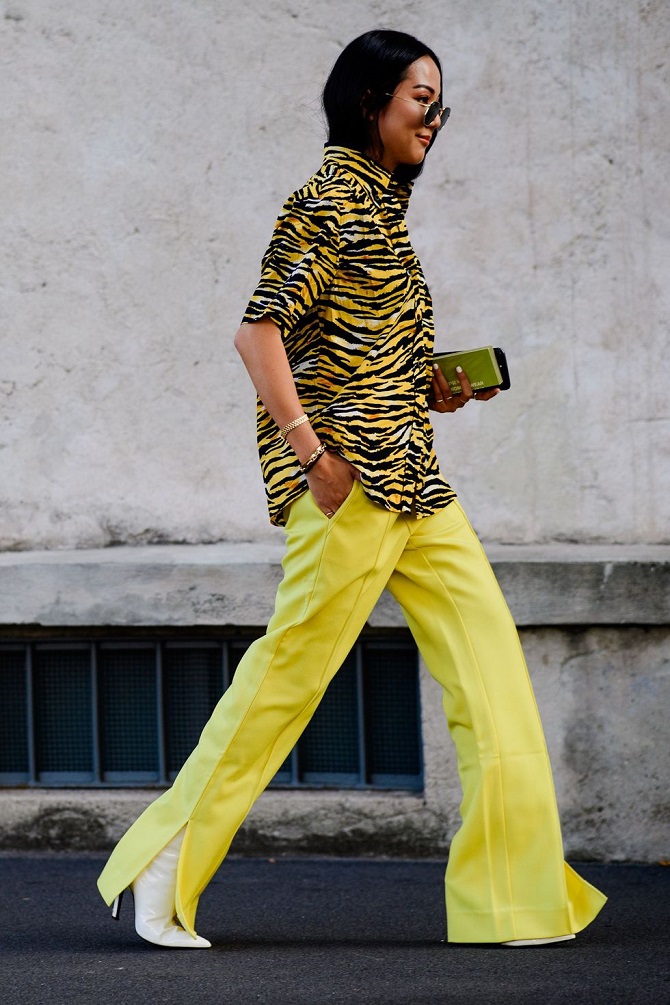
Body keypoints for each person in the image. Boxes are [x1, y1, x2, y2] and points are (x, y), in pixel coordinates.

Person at [97, 29, 606, 948]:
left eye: (441, 105)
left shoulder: (386, 209)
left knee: (493, 677)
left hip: (417, 481)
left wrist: (436, 386)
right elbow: (258, 334)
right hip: (352, 482)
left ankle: (514, 898)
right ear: (371, 101)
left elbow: (365, 357)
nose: (434, 120)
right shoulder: (327, 201)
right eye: (421, 100)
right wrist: (311, 455)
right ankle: (163, 860)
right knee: (286, 678)